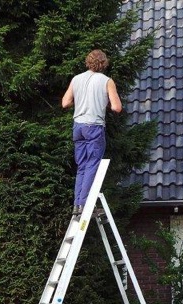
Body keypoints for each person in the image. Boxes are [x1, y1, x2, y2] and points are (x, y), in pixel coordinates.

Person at [62, 49, 122, 216]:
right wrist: (102, 102)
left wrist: (81, 102)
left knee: (81, 166)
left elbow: (65, 102)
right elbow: (117, 107)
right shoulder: (107, 81)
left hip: (78, 127)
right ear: (104, 64)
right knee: (91, 166)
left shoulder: (76, 79)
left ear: (88, 62)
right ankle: (84, 205)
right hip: (94, 127)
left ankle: (77, 205)